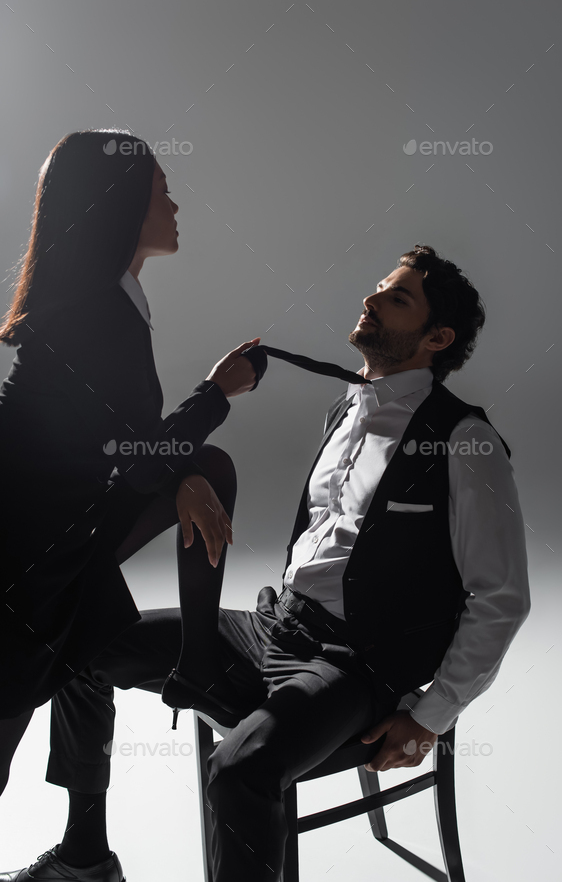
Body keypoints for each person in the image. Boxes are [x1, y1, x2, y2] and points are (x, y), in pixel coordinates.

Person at [1, 244, 531, 882]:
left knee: (237, 771)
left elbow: (500, 596)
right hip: (274, 629)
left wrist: (429, 717)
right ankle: (86, 858)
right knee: (77, 644)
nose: (370, 299)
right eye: (380, 287)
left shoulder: (465, 439)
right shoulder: (345, 411)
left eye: (398, 297)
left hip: (355, 663)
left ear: (436, 337)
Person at [0, 128, 262, 868]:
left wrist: (185, 467)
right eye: (159, 190)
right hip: (22, 556)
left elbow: (129, 444)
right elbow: (140, 456)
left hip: (62, 533)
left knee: (204, 465)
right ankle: (199, 667)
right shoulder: (96, 313)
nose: (175, 204)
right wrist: (218, 392)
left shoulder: (111, 299)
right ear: (116, 206)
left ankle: (86, 855)